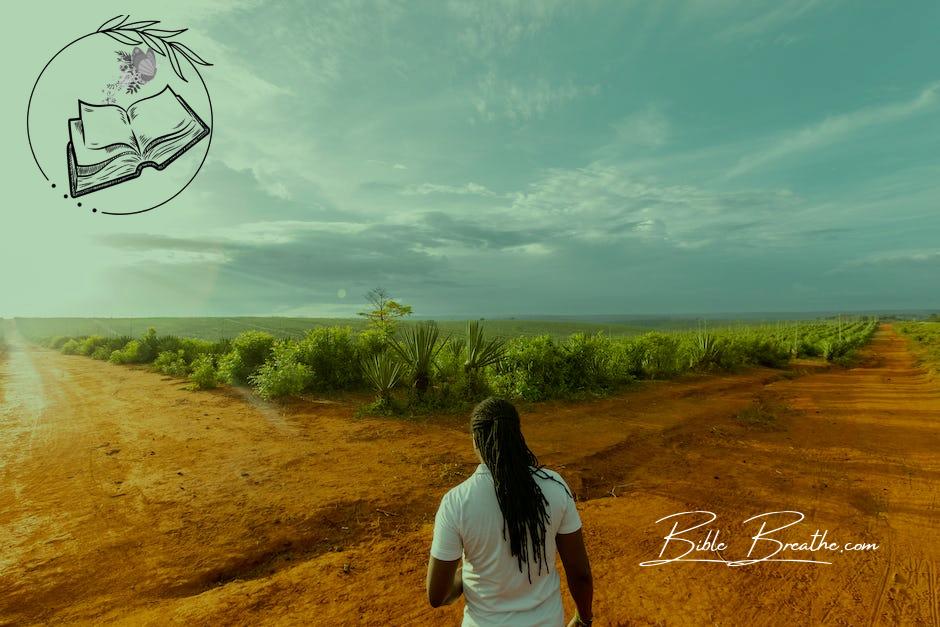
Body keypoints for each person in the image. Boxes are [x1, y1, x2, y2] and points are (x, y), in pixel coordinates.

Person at [426, 397, 594, 626]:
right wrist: (583, 618)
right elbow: (580, 573)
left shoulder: (456, 502)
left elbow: (438, 595)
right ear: (517, 435)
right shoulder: (555, 486)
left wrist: (469, 574)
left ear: (475, 440)